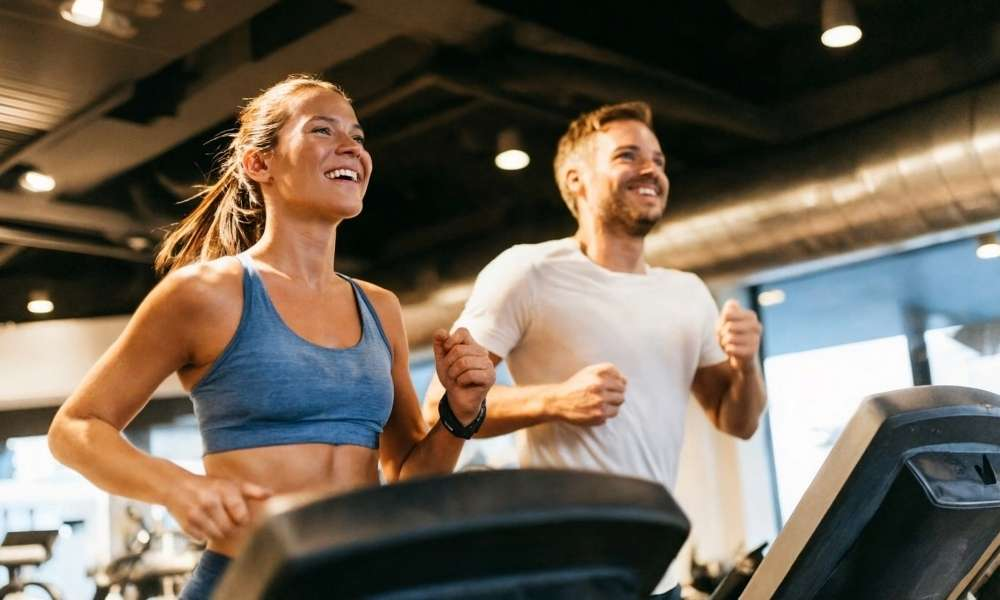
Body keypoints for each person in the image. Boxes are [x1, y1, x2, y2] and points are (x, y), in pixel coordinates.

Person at [47, 75, 495, 600]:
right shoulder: (206, 294)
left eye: (358, 135)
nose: (352, 147)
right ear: (259, 163)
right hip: (252, 583)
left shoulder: (380, 307)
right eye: (322, 130)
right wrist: (175, 486)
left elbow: (404, 475)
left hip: (364, 578)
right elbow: (74, 428)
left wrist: (460, 415)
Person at [423, 101, 766, 599]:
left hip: (658, 576)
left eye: (659, 160)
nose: (651, 169)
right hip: (563, 575)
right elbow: (441, 404)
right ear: (576, 179)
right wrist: (557, 400)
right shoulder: (527, 272)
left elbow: (739, 420)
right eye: (628, 155)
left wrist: (746, 364)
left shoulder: (687, 292)